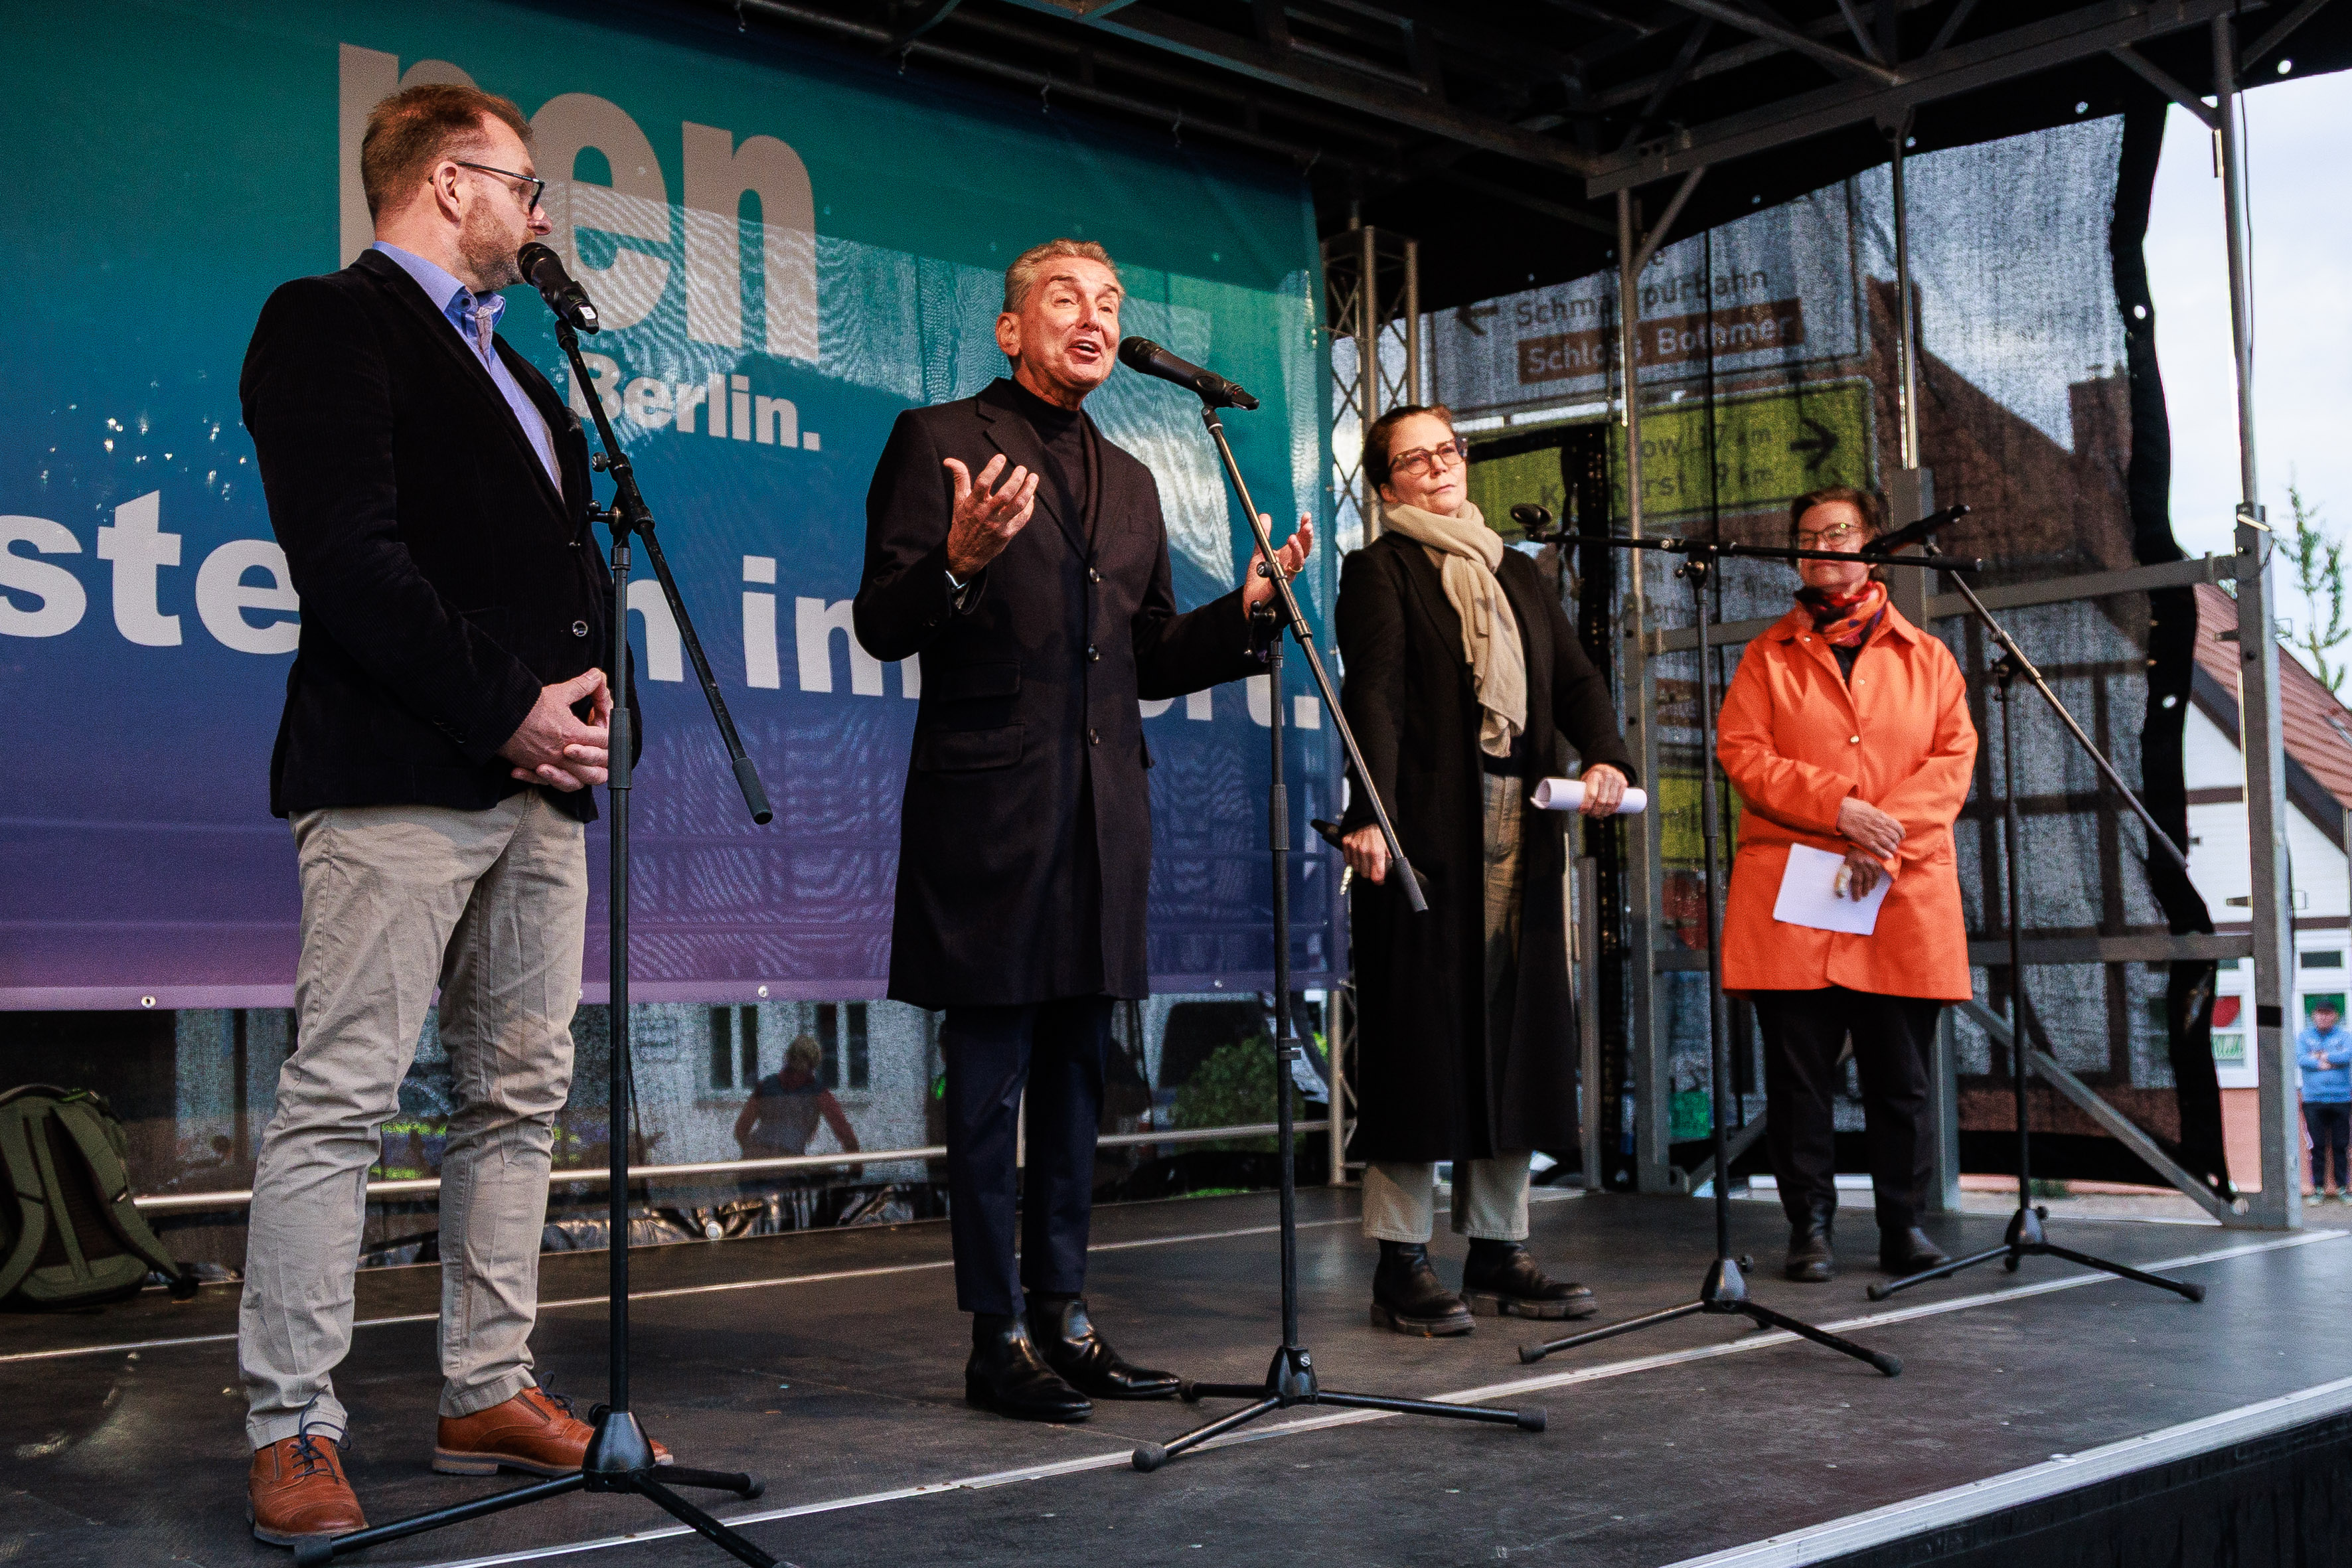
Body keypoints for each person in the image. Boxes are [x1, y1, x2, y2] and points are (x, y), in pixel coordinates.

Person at [236, 83, 653, 1547]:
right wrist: (507, 708)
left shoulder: (531, 381)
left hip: (540, 790)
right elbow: (348, 560)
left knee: (518, 1096)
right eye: (527, 186)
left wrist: (588, 726)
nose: (542, 216)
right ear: (449, 179)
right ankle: (292, 1417)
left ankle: (486, 1380)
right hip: (404, 773)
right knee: (344, 1098)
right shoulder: (327, 318)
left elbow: (556, 576)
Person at [854, 238, 1312, 1423]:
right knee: (991, 1080)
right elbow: (881, 622)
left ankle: (1065, 1315)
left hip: (1105, 817)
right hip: (990, 810)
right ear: (1010, 329)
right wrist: (953, 567)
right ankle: (992, 1331)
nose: (1093, 317)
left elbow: (1151, 656)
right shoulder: (937, 438)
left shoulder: (1134, 477)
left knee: (1075, 1077)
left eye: (1110, 302)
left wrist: (1243, 616)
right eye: (1065, 297)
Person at [1334, 404, 1635, 1336]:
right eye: (1412, 459)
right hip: (1423, 829)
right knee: (1417, 1040)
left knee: (1513, 1033)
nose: (1437, 468)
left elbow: (1577, 677)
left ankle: (1499, 1249)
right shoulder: (1377, 570)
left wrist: (1606, 755)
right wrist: (1368, 814)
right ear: (1386, 486)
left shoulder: (1518, 571)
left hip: (1524, 819)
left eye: (1446, 452)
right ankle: (1400, 1261)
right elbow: (1372, 698)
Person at [1717, 486, 1978, 1284]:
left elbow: (1951, 763)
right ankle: (1811, 1229)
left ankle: (1903, 1224)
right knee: (1800, 1081)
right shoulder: (1767, 656)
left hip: (1900, 894)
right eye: (1807, 537)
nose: (1822, 546)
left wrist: (1883, 835)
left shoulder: (1929, 658)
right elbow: (1744, 754)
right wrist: (1841, 811)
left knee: (1900, 1079)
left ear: (1872, 545)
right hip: (1796, 896)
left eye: (1838, 532)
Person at [735, 1034, 863, 1160]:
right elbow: (843, 1130)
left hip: (754, 1163)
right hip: (789, 1165)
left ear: (788, 1057)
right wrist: (856, 1167)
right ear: (814, 1062)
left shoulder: (765, 1086)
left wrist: (753, 1153)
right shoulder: (818, 1092)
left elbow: (741, 1128)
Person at [2298, 1000, 2351, 1201]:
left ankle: (2343, 1188)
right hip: (2313, 1100)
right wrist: (2326, 1060)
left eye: (2328, 1014)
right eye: (2320, 1014)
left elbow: (2346, 1056)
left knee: (2341, 1145)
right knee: (2317, 1145)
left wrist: (2321, 1056)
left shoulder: (2344, 1036)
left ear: (2335, 1016)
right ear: (2313, 1016)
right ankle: (2318, 1188)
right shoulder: (2305, 1037)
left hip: (2341, 1099)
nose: (2323, 1017)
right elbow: (2302, 1059)